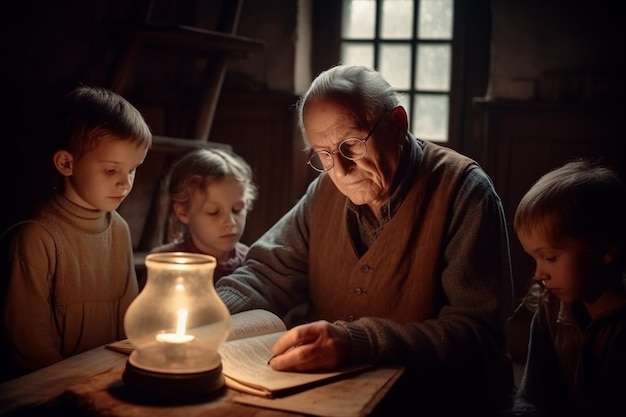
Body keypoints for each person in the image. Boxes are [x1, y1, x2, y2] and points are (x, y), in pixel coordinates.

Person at [215, 65, 515, 415]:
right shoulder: (324, 190)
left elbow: (478, 335)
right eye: (323, 154)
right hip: (330, 394)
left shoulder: (464, 190)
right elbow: (268, 271)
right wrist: (204, 309)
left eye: (351, 145)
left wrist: (360, 342)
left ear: (398, 123)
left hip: (436, 402)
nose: (340, 171)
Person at [0, 85, 152, 380]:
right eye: (111, 171)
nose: (125, 184)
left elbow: (128, 321)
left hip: (108, 379)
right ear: (66, 163)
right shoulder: (34, 238)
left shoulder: (118, 228)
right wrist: (77, 386)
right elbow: (28, 345)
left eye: (132, 170)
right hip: (53, 390)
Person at [511, 160, 626, 417]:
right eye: (535, 259)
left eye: (550, 258)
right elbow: (532, 394)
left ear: (607, 249)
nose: (539, 274)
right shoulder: (550, 307)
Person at [150, 147, 258, 283]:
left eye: (237, 209)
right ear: (183, 212)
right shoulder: (165, 264)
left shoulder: (252, 261)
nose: (231, 222)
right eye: (214, 212)